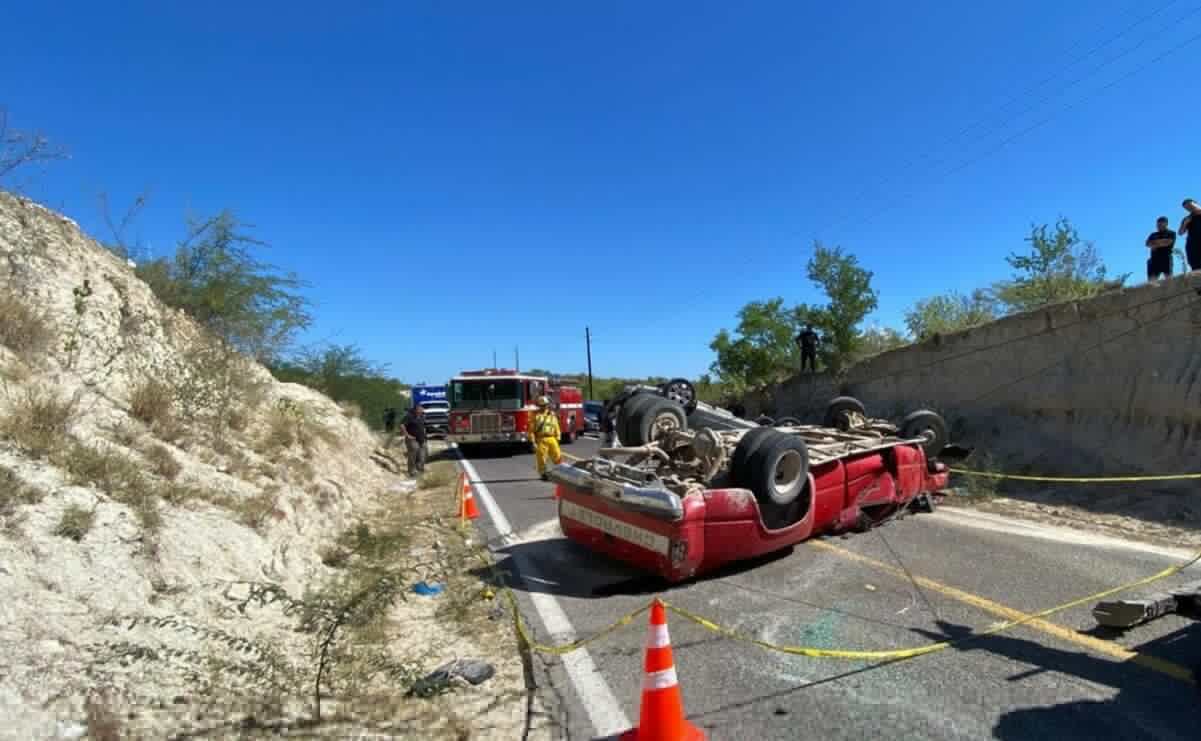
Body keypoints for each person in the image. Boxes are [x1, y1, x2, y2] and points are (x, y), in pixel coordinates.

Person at [530, 395, 562, 481]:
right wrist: (533, 442)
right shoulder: (535, 415)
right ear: (539, 406)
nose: (544, 407)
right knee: (541, 458)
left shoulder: (551, 414)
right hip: (541, 439)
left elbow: (556, 426)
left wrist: (558, 437)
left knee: (558, 456)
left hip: (552, 439)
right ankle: (543, 474)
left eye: (545, 405)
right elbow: (531, 430)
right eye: (542, 405)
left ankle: (561, 472)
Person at [1145, 216, 1177, 281]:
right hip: (1154, 260)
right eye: (1158, 224)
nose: (1158, 225)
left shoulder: (1171, 233)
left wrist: (1155, 243)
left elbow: (1168, 242)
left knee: (1169, 279)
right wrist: (1162, 242)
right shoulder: (1153, 234)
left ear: (1166, 224)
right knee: (1152, 282)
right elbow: (1147, 243)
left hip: (1166, 258)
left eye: (1161, 223)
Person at [400, 405, 427, 476]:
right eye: (419, 409)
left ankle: (420, 469)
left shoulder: (422, 416)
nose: (421, 411)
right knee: (414, 451)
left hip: (421, 439)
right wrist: (407, 435)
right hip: (412, 439)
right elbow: (402, 425)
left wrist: (424, 435)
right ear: (415, 410)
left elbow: (423, 426)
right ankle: (411, 470)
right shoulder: (409, 416)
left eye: (421, 409)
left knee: (422, 455)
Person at [1180, 199, 1201, 272]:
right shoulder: (1187, 218)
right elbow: (1180, 232)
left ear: (1196, 203)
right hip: (1192, 246)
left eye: (1190, 205)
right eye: (1187, 208)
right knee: (1195, 267)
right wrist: (1185, 223)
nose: (1189, 208)